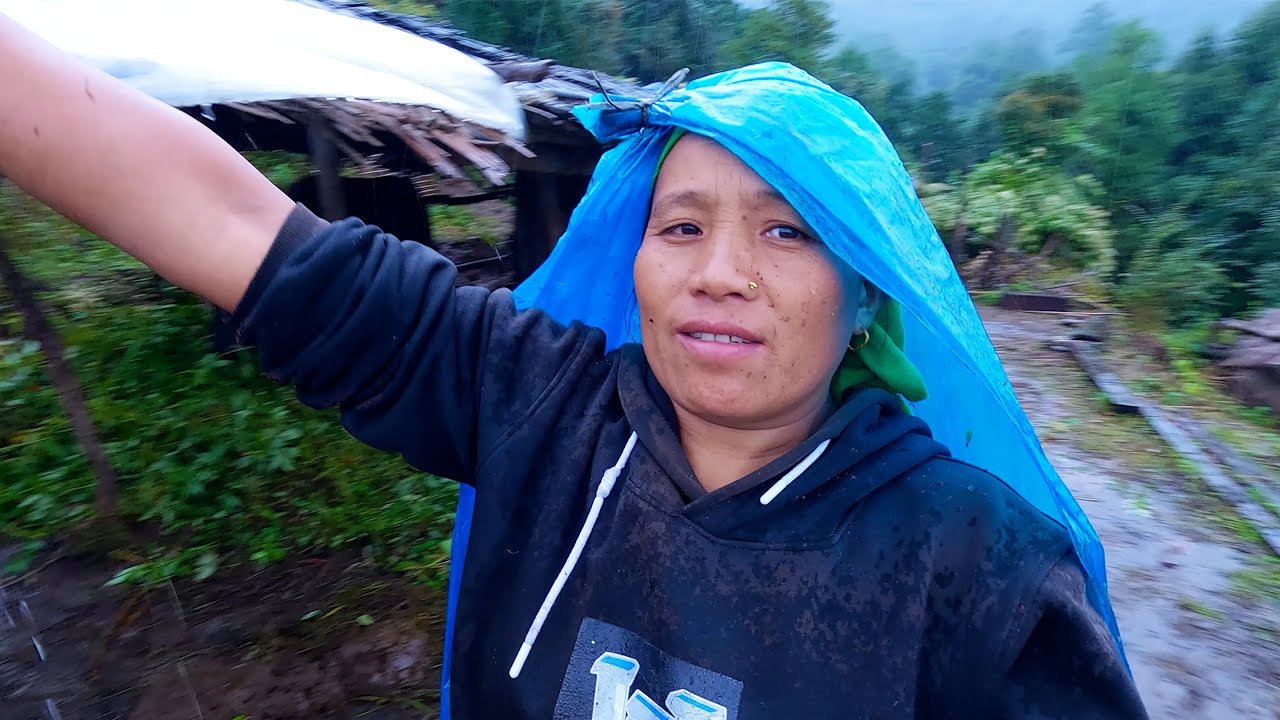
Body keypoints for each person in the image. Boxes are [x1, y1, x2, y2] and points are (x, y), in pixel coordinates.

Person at [0, 12, 1148, 720]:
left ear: (863, 297)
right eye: (681, 225)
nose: (721, 272)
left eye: (788, 232)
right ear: (629, 258)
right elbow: (233, 227)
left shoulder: (977, 563)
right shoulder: (537, 405)